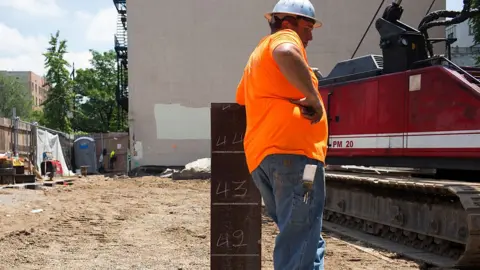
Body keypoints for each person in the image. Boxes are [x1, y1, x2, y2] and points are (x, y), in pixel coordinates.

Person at [235, 0, 328, 269]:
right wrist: (313, 97)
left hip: (265, 160)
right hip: (298, 161)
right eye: (307, 27)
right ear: (287, 23)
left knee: (306, 234)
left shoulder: (256, 59)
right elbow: (286, 52)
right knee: (300, 236)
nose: (310, 35)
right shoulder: (285, 40)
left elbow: (240, 98)